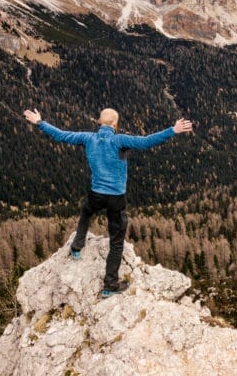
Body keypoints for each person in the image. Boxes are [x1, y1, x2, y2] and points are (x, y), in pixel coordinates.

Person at [23, 108, 193, 297]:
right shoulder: (119, 140)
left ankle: (77, 246)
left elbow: (61, 135)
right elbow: (145, 142)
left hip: (96, 193)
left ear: (99, 122)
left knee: (87, 211)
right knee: (117, 242)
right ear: (114, 124)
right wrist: (173, 130)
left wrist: (40, 122)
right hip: (116, 198)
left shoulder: (88, 138)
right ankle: (110, 285)